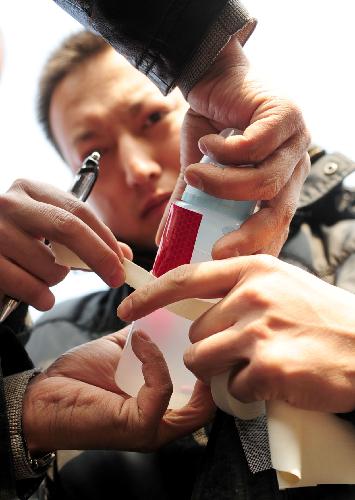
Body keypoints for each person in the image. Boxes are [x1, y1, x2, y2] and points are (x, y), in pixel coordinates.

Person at [0, 1, 311, 496]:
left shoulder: (341, 228)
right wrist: (14, 425)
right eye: (94, 155)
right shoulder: (49, 348)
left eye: (149, 118)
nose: (138, 168)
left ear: (199, 110)